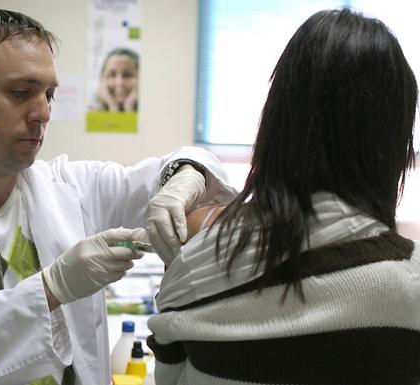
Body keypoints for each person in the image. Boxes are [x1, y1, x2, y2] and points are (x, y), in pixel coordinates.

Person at [0, 9, 235, 385]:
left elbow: (185, 162)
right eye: (21, 93)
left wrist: (183, 179)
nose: (42, 113)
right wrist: (51, 289)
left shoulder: (71, 186)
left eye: (49, 95)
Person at [147, 8, 420, 385]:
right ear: (391, 146)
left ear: (278, 122)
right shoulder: (410, 287)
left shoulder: (195, 265)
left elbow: (169, 379)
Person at [89, 48, 139, 112]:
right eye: (112, 75)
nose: (120, 82)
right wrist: (112, 106)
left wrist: (129, 108)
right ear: (102, 80)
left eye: (127, 75)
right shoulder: (91, 111)